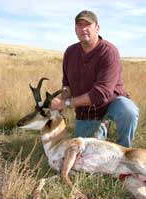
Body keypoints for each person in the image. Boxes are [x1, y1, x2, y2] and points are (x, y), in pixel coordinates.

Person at [51, 10, 139, 148]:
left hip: (111, 102)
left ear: (97, 28)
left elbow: (101, 93)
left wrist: (67, 103)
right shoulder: (70, 52)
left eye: (88, 25)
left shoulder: (108, 52)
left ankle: (125, 151)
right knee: (86, 149)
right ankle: (103, 126)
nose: (83, 29)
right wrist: (61, 103)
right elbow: (67, 84)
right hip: (87, 110)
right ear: (75, 29)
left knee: (128, 111)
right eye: (79, 25)